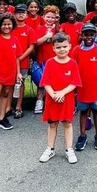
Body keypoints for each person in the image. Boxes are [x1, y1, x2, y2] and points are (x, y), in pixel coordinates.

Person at [38, 33, 82, 164]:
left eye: (64, 46)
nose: (62, 49)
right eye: (58, 47)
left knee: (67, 124)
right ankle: (50, 148)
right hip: (52, 100)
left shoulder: (73, 64)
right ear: (53, 48)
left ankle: (69, 149)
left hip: (66, 100)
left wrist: (62, 93)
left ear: (70, 46)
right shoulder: (50, 63)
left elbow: (74, 83)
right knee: (52, 124)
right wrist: (53, 95)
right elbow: (46, 82)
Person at [71, 24, 97, 151]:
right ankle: (82, 135)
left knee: (96, 112)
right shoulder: (77, 50)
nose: (89, 37)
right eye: (86, 34)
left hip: (96, 88)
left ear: (95, 35)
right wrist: (74, 86)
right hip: (82, 89)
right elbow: (72, 68)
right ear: (82, 36)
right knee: (83, 112)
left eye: (91, 34)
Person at [32, 5, 61, 114]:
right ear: (43, 17)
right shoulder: (39, 28)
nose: (50, 19)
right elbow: (36, 43)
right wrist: (46, 37)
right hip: (42, 59)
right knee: (42, 83)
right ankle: (39, 101)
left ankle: (54, 102)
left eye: (53, 17)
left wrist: (56, 24)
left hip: (55, 60)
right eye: (48, 17)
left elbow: (60, 37)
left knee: (55, 83)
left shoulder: (58, 28)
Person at [10, 4, 36, 118]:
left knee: (20, 83)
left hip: (23, 61)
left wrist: (21, 57)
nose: (20, 14)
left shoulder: (29, 29)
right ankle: (7, 106)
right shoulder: (10, 28)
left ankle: (18, 107)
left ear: (27, 14)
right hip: (9, 61)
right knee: (9, 84)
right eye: (18, 12)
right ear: (14, 14)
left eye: (23, 12)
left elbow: (31, 47)